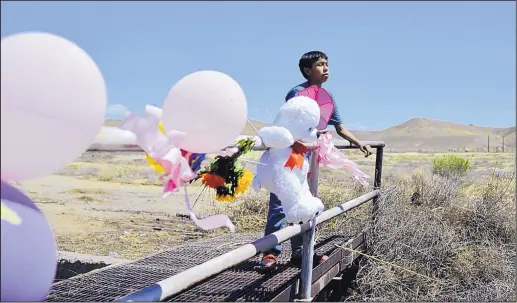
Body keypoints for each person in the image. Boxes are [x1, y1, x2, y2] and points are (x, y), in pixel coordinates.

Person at [257, 51, 373, 271]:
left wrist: (359, 143)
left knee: (306, 202)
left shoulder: (327, 97)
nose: (326, 68)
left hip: (310, 158)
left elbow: (339, 127)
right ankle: (270, 252)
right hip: (289, 155)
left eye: (327, 64)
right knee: (280, 203)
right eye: (321, 64)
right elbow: (289, 124)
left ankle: (301, 253)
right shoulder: (297, 93)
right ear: (308, 70)